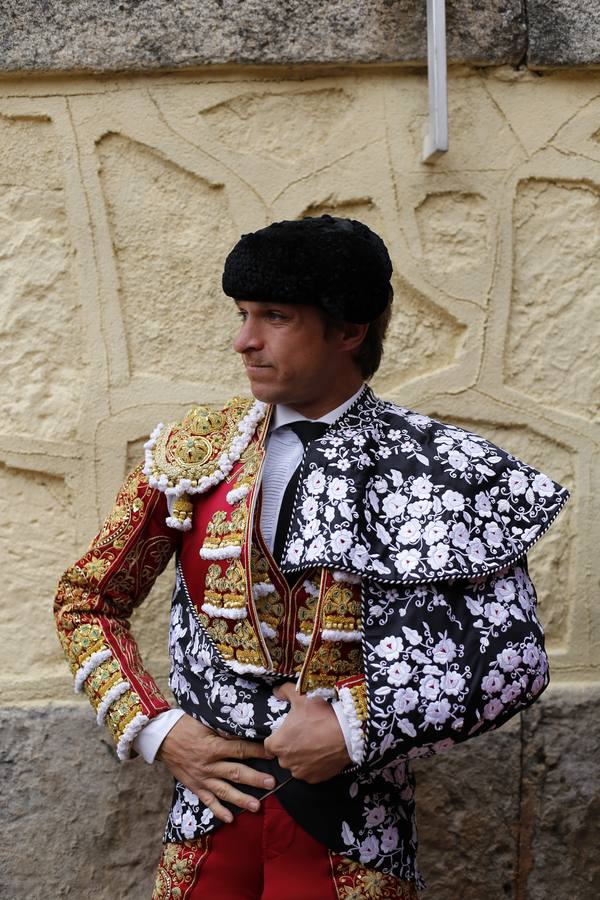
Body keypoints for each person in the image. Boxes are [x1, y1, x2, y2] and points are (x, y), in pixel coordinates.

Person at [54, 215, 569, 899]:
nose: (244, 340)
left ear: (349, 330)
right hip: (208, 823)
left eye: (275, 317)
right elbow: (87, 601)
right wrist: (159, 730)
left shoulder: (441, 467)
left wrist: (357, 726)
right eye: (243, 314)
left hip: (356, 829)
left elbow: (511, 658)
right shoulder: (194, 452)